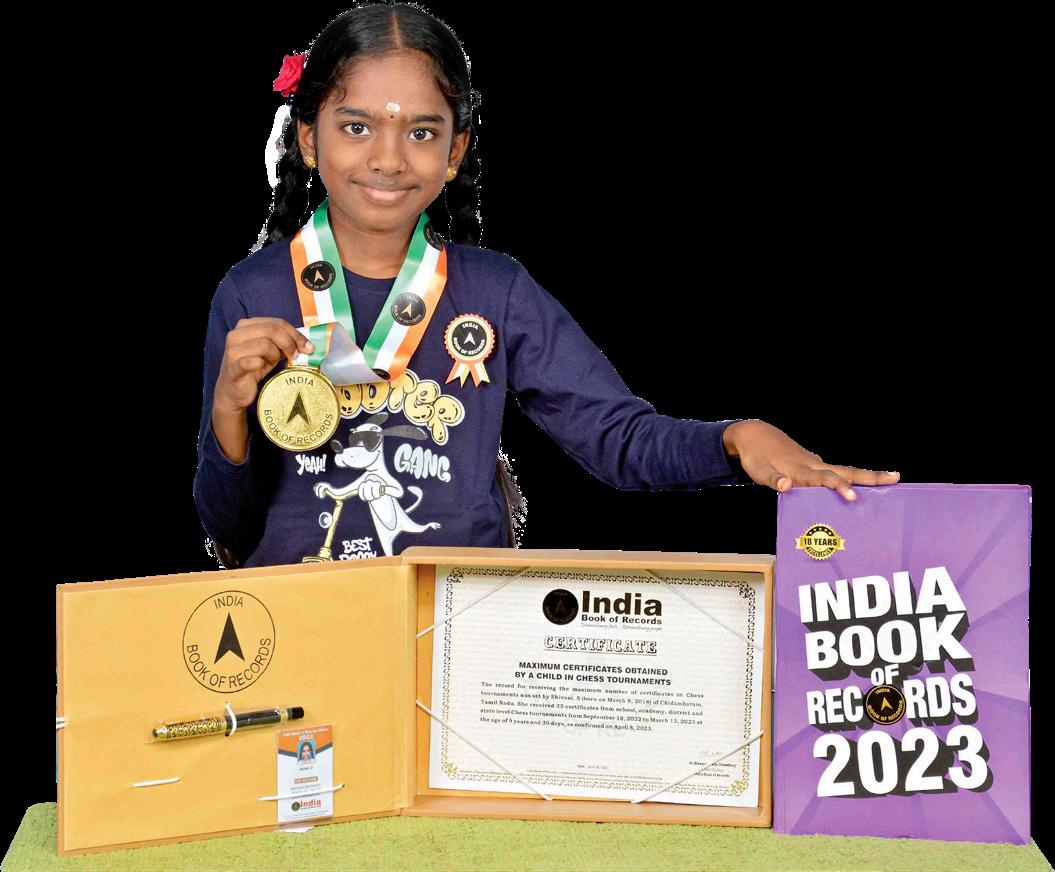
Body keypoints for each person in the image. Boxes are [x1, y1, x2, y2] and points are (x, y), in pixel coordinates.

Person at [193, 4, 899, 569]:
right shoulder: (252, 294)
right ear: (309, 138)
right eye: (357, 127)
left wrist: (735, 440)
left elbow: (616, 441)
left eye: (421, 133)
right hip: (303, 623)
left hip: (459, 629)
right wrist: (229, 408)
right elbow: (227, 525)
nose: (388, 158)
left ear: (455, 150)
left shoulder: (495, 291)